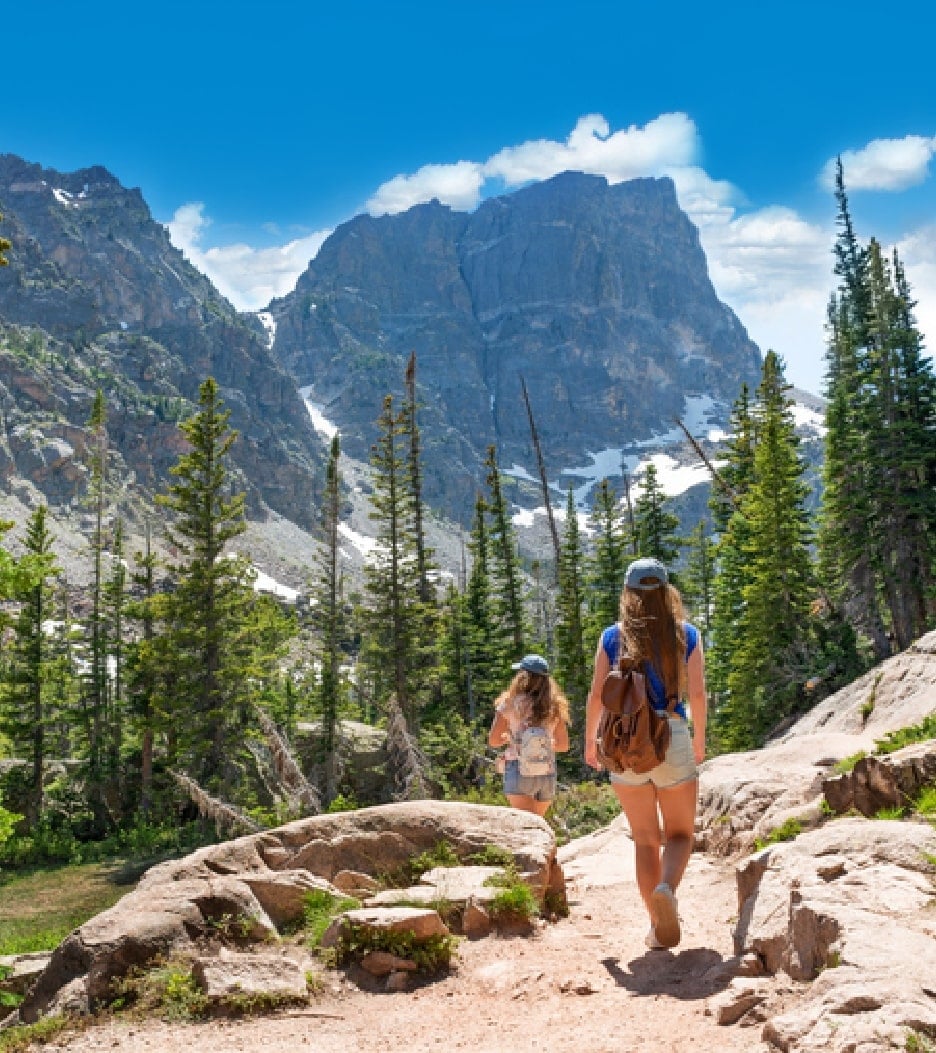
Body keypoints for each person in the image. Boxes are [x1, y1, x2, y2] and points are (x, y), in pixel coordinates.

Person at [584, 557, 707, 950]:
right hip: (670, 733)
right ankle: (667, 888)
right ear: (667, 592)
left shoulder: (611, 637)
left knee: (644, 839)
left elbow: (596, 696)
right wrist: (699, 740)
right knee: (681, 834)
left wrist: (591, 742)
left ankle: (656, 926)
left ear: (628, 593)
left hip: (625, 742)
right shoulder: (685, 634)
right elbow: (699, 695)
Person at [488, 654, 570, 817]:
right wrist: (541, 743)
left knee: (528, 829)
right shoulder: (554, 706)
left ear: (522, 677)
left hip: (519, 770)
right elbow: (563, 745)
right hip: (546, 772)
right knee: (539, 824)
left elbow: (494, 741)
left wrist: (510, 738)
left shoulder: (510, 704)